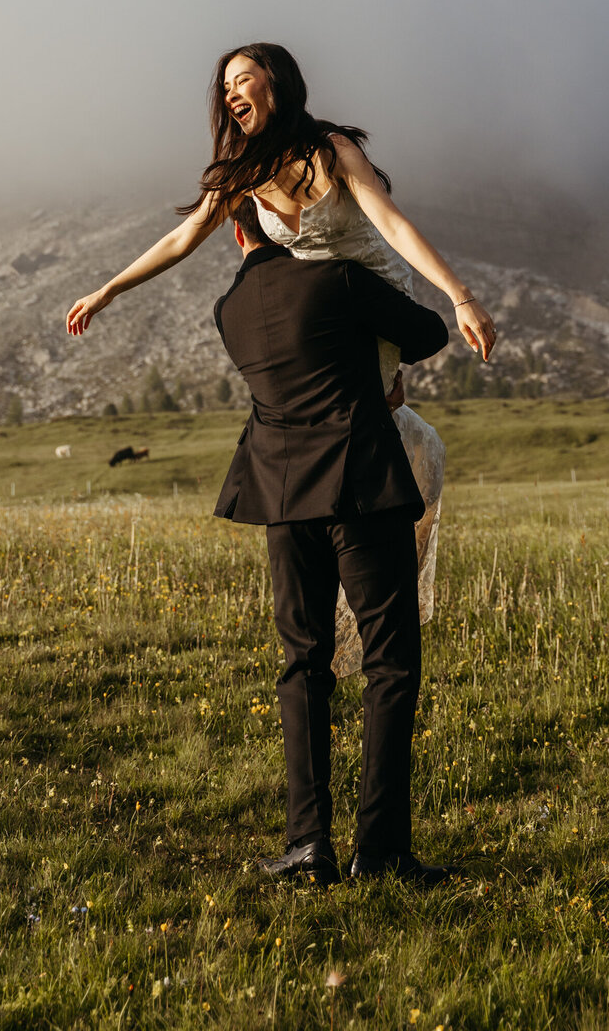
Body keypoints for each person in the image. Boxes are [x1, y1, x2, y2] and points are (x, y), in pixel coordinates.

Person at [66, 42, 497, 661]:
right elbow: (183, 236)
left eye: (242, 79)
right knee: (367, 427)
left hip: (370, 300)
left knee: (375, 420)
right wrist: (108, 289)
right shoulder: (241, 169)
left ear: (277, 82)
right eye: (224, 88)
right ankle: (353, 578)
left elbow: (395, 227)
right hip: (321, 319)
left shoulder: (333, 152)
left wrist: (460, 296)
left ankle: (380, 585)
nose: (230, 93)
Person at [213, 194, 450, 885]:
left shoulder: (228, 312)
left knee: (302, 662)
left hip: (282, 499)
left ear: (236, 233)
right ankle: (380, 851)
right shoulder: (339, 281)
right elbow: (428, 332)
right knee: (391, 662)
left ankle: (307, 843)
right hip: (362, 487)